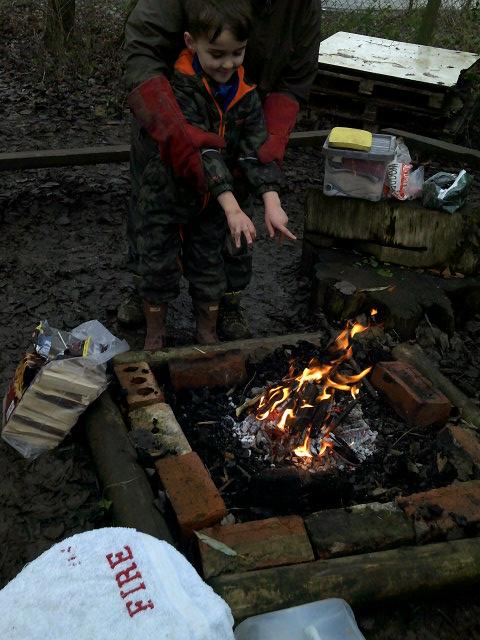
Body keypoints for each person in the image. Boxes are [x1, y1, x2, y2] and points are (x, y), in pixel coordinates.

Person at [123, 0, 322, 344]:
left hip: (242, 118)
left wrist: (269, 146)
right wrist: (173, 129)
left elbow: (296, 74)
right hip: (170, 120)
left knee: (223, 239)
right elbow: (143, 45)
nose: (228, 62)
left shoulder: (300, 6)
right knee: (153, 233)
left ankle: (226, 303)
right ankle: (146, 297)